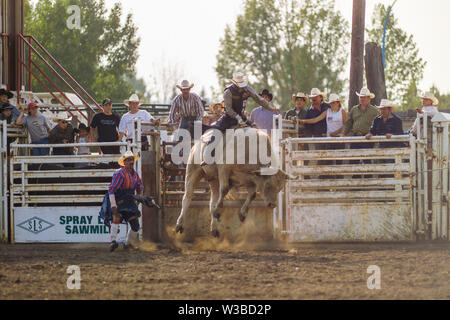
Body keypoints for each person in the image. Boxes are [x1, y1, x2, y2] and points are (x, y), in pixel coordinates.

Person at [214, 72, 278, 132]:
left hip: (242, 116)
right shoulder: (228, 92)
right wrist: (237, 117)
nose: (241, 87)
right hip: (229, 117)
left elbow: (258, 98)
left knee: (255, 127)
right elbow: (228, 109)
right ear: (234, 83)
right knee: (217, 132)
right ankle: (210, 143)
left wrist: (269, 107)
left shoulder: (246, 88)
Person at [108, 150, 144, 252]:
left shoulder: (135, 175)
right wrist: (113, 205)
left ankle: (127, 244)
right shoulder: (120, 174)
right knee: (116, 217)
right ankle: (113, 241)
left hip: (128, 200)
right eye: (128, 160)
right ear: (124, 162)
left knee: (135, 225)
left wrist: (138, 198)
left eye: (132, 159)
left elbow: (140, 186)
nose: (131, 161)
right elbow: (111, 190)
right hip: (118, 198)